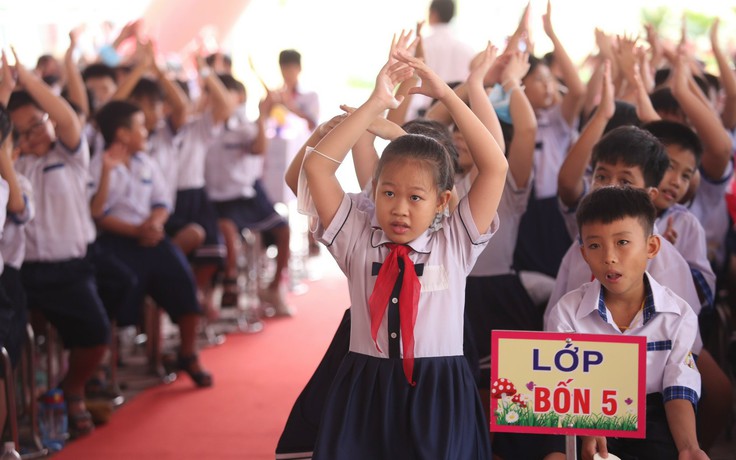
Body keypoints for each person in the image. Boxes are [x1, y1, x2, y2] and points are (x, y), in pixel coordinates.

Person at [304, 32, 507, 459]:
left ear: (443, 202)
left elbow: (495, 166)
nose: (400, 209)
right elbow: (318, 169)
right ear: (373, 192)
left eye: (416, 198)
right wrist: (375, 103)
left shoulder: (455, 240)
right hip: (366, 386)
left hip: (440, 390)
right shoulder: (356, 237)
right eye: (388, 193)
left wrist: (451, 95)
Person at [546, 186, 707, 460]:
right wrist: (587, 426)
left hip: (653, 418)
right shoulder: (567, 312)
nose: (609, 256)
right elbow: (559, 388)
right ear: (584, 254)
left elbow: (678, 390)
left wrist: (689, 448)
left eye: (622, 242)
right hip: (583, 415)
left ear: (651, 247)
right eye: (595, 245)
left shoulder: (678, 315)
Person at [7, 48, 109, 438]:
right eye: (22, 131)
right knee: (18, 342)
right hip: (22, 272)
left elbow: (67, 117)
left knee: (95, 335)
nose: (35, 134)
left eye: (38, 123)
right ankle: (24, 402)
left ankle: (74, 389)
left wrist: (26, 80)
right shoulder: (11, 164)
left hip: (69, 269)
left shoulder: (70, 153)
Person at [90, 100, 212, 388]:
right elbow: (98, 214)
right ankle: (103, 363)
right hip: (115, 240)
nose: (146, 132)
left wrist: (155, 224)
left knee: (181, 276)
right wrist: (135, 230)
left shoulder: (146, 162)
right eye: (141, 127)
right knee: (120, 283)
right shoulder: (99, 164)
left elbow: (162, 202)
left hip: (150, 234)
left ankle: (187, 353)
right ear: (122, 134)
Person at [205, 73, 293, 315]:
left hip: (248, 194)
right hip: (218, 200)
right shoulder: (205, 126)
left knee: (283, 229)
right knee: (226, 230)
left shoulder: (245, 126)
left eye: (226, 93)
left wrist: (262, 115)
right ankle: (228, 285)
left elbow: (259, 148)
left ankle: (274, 288)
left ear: (239, 97)